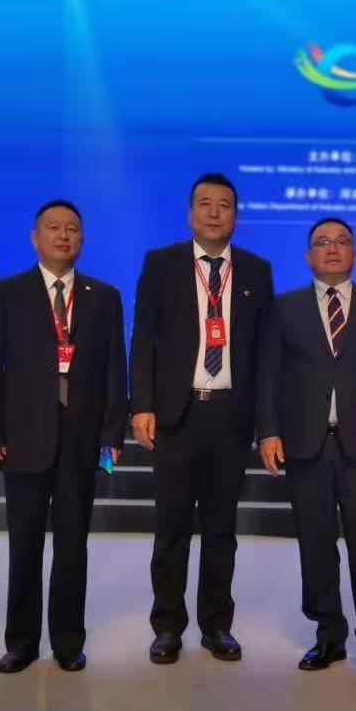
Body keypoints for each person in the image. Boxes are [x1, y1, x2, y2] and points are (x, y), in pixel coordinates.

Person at [257, 218, 356, 684]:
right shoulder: (284, 308)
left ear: (355, 255)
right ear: (308, 256)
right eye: (322, 243)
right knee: (316, 545)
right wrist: (268, 432)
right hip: (305, 444)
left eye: (342, 242)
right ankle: (328, 634)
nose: (332, 248)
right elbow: (268, 375)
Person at [0, 200, 127, 674]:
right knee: (24, 546)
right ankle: (21, 643)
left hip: (81, 441)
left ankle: (67, 641)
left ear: (82, 239)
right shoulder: (6, 293)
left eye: (73, 229)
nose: (64, 236)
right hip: (23, 440)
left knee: (72, 546)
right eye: (54, 228)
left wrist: (112, 433)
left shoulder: (104, 296)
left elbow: (114, 368)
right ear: (35, 237)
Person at [131, 173, 275, 665]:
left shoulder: (256, 270)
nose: (215, 213)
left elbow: (265, 354)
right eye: (205, 204)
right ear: (190, 212)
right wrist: (142, 404)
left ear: (237, 215)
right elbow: (143, 340)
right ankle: (167, 626)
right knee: (171, 527)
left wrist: (266, 423)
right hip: (178, 413)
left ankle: (216, 625)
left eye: (224, 205)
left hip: (231, 417)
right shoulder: (162, 263)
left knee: (220, 529)